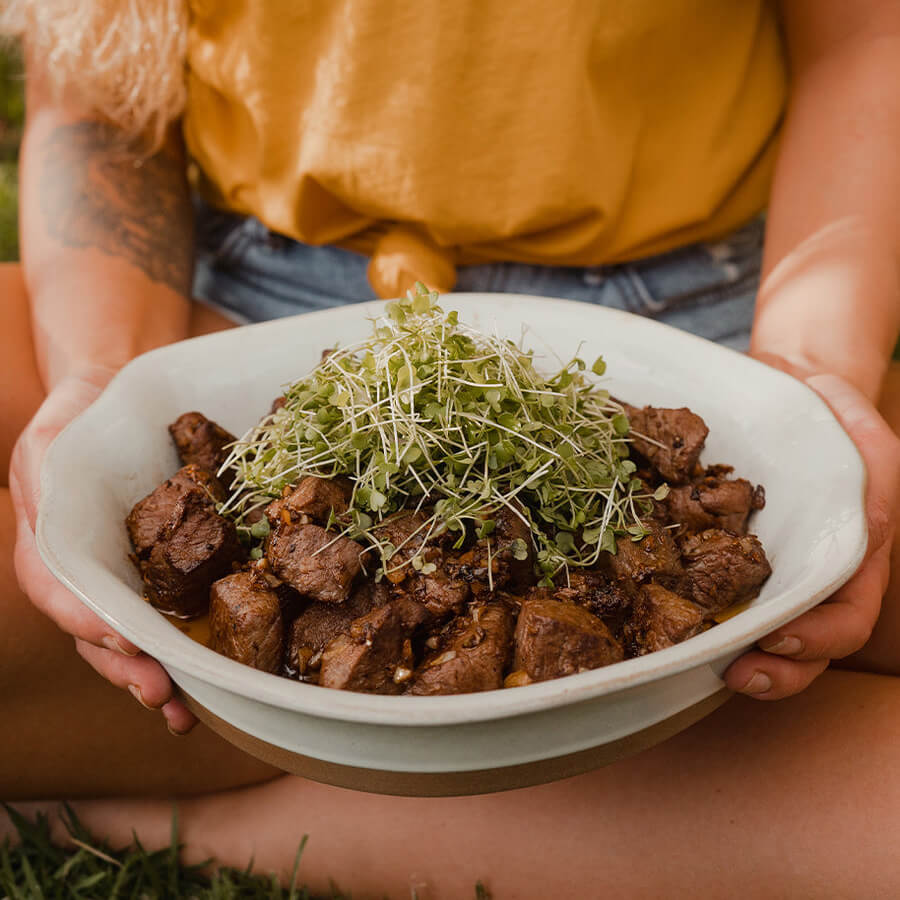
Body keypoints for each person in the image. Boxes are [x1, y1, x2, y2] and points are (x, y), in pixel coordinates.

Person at [2, 0, 900, 894]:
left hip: (706, 325)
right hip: (235, 305)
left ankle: (242, 813)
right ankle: (591, 774)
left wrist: (807, 377)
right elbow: (99, 91)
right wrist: (103, 385)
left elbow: (865, 40)